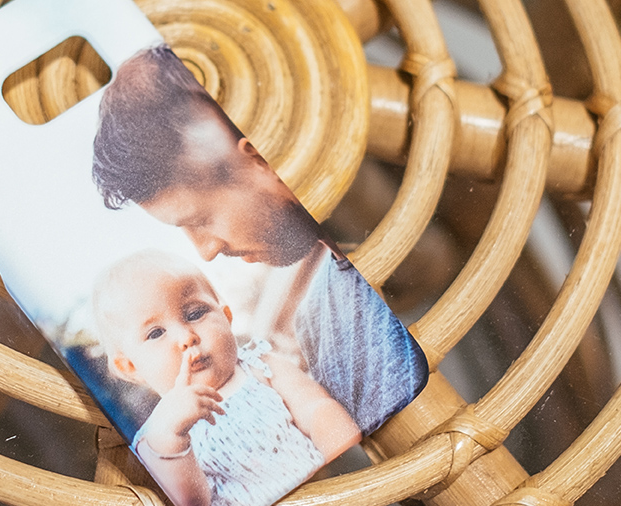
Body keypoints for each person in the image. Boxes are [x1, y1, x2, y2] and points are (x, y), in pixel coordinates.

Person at [92, 44, 428, 436]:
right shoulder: (173, 430)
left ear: (257, 158)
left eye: (201, 220)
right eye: (154, 333)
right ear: (127, 367)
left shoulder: (329, 310)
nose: (206, 251)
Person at [94, 249, 360, 506]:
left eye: (195, 313)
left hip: (324, 489)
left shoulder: (260, 365)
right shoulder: (157, 438)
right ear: (130, 367)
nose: (186, 338)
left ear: (226, 315)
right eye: (156, 333)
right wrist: (172, 438)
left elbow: (316, 408)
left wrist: (343, 454)